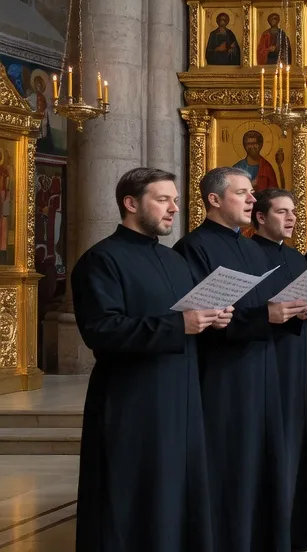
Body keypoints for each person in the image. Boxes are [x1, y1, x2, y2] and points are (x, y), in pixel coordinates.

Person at [73, 167, 230, 552]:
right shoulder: (101, 260)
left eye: (175, 200)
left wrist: (210, 320)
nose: (174, 208)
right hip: (132, 400)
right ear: (131, 203)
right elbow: (101, 330)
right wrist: (180, 325)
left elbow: (186, 318)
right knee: (131, 495)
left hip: (181, 395)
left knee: (176, 491)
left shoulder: (174, 261)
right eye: (163, 200)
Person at [174, 168, 307, 552]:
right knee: (229, 463)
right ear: (214, 199)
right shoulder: (193, 247)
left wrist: (294, 310)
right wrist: (267, 315)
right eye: (243, 193)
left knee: (263, 461)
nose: (252, 199)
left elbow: (265, 307)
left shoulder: (252, 249)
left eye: (252, 193)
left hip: (264, 366)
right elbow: (202, 316)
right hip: (223, 372)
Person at [250, 189, 307, 552]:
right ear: (260, 217)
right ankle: (279, 531)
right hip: (272, 356)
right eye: (282, 212)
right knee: (280, 442)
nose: (291, 218)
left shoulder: (297, 257)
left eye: (294, 212)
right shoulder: (250, 255)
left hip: (303, 353)